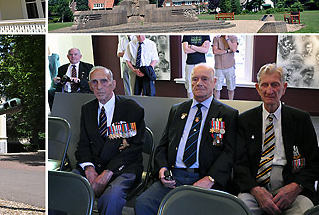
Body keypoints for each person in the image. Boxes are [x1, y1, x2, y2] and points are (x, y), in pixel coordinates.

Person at [134, 64, 238, 215]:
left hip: (205, 177)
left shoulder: (228, 114)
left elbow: (229, 153)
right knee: (143, 204)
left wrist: (210, 179)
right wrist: (163, 169)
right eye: (194, 79)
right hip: (174, 176)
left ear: (214, 81)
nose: (199, 83)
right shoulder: (177, 110)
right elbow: (163, 145)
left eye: (204, 79)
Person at [234, 63, 319, 215]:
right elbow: (239, 163)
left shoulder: (301, 119)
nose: (269, 90)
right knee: (238, 211)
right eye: (264, 85)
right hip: (254, 190)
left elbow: (315, 163)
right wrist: (255, 190)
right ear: (257, 88)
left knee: (306, 212)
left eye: (275, 85)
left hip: (293, 190)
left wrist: (296, 186)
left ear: (284, 87)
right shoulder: (244, 121)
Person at [75, 66, 145, 215]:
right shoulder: (87, 109)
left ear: (113, 84)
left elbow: (134, 148)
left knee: (111, 198)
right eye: (94, 82)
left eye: (104, 81)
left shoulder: (131, 109)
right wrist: (89, 169)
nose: (99, 87)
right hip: (94, 165)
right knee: (63, 186)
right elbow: (83, 144)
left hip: (123, 168)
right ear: (89, 86)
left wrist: (107, 173)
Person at [212, 35, 238, 100]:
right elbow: (215, 51)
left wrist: (227, 39)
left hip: (230, 67)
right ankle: (217, 104)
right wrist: (227, 51)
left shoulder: (233, 38)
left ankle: (231, 103)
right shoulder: (216, 38)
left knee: (231, 87)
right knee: (217, 88)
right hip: (218, 67)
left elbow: (234, 49)